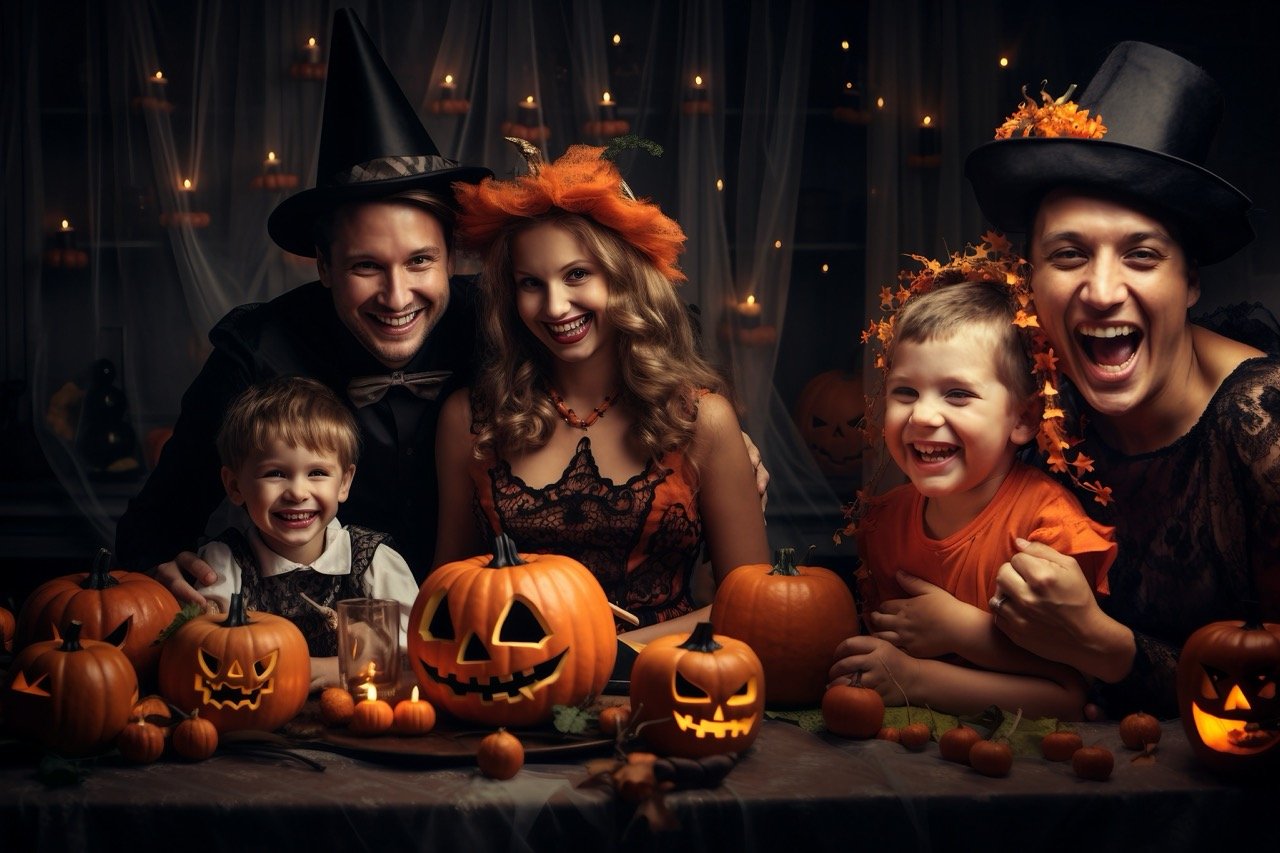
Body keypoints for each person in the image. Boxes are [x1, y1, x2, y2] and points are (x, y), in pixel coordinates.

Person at [115, 10, 766, 601]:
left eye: (420, 262)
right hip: (308, 634)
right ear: (324, 266)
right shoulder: (258, 352)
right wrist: (153, 569)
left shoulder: (507, 315)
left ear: (451, 257)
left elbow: (639, 317)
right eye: (367, 266)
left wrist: (725, 447)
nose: (398, 297)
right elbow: (154, 524)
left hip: (473, 637)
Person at [956, 40, 1277, 719]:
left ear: (1189, 281)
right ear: (1031, 282)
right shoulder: (1038, 416)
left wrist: (1106, 647)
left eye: (1141, 254)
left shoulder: (1263, 428)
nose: (1102, 291)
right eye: (1069, 254)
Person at [434, 144, 770, 642]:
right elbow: (445, 597)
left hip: (664, 686)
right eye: (531, 282)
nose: (554, 305)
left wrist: (604, 653)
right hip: (511, 684)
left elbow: (756, 607)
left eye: (576, 275)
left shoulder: (702, 419)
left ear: (624, 277)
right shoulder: (471, 419)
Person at [830, 280, 1115, 719]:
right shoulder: (884, 524)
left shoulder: (1044, 534)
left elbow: (1069, 696)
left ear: (1022, 418)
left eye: (958, 394)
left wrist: (949, 643)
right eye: (905, 392)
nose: (923, 415)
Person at [201, 376, 417, 689]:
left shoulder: (372, 560)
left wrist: (321, 670)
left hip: (361, 727)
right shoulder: (224, 564)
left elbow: (415, 656)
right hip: (259, 726)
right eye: (275, 473)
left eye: (317, 473)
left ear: (344, 483)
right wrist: (346, 665)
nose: (298, 492)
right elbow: (207, 654)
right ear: (235, 486)